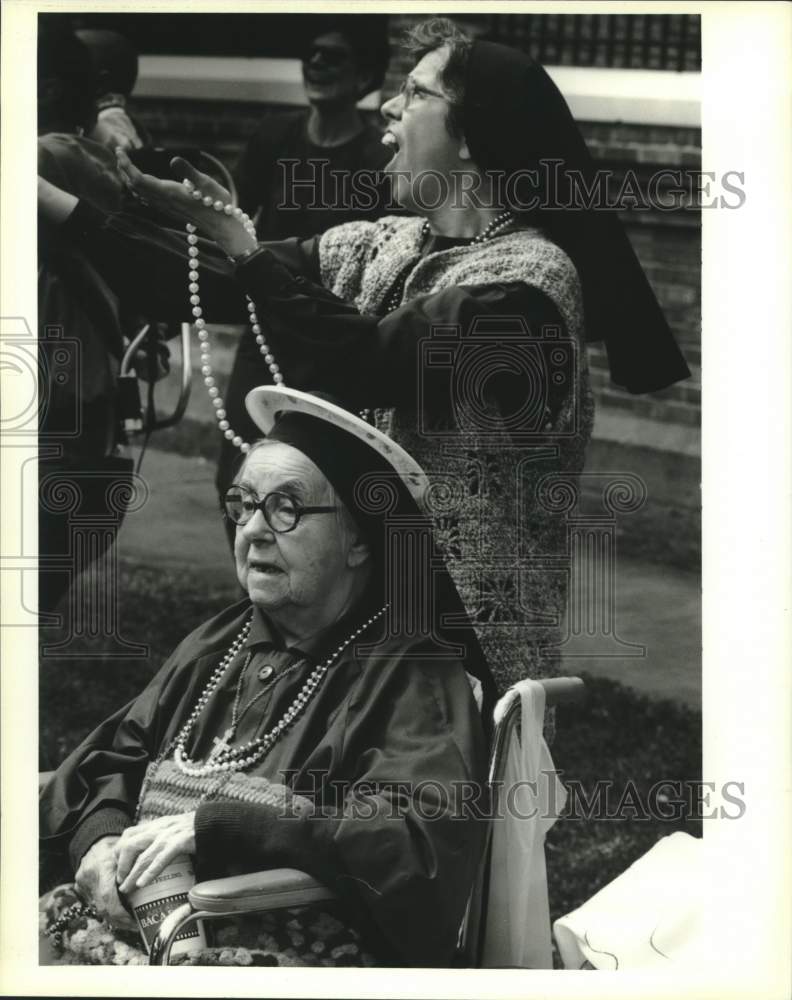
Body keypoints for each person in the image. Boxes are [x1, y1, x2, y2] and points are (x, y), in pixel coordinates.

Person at [36, 17, 690, 688]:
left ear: (470, 136)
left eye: (415, 91)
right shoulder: (385, 241)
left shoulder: (528, 289)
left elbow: (369, 360)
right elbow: (198, 278)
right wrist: (46, 195)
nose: (388, 106)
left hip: (464, 651)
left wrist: (245, 250)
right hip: (362, 626)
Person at [40, 387, 495, 967]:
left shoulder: (409, 671)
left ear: (359, 538)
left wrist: (229, 825)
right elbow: (118, 757)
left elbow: (414, 846)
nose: (253, 529)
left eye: (287, 509)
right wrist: (100, 838)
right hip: (141, 936)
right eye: (243, 504)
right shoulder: (217, 642)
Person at [234, 15, 392, 242]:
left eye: (333, 57)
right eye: (310, 54)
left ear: (364, 76)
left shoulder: (381, 161)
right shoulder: (273, 135)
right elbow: (235, 214)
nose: (316, 62)